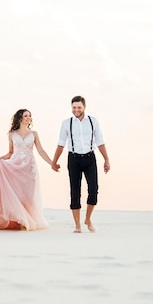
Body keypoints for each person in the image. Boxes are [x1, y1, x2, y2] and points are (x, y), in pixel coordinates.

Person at [0, 109, 55, 231]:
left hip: (29, 167)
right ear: (20, 118)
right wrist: (0, 159)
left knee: (28, 195)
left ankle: (26, 220)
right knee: (17, 193)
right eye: (26, 116)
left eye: (30, 116)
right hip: (15, 165)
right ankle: (19, 220)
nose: (28, 118)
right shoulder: (12, 134)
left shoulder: (34, 134)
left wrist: (52, 163)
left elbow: (41, 151)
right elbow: (10, 152)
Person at [51, 96, 110, 233]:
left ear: (84, 107)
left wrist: (106, 159)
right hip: (73, 159)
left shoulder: (93, 121)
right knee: (75, 191)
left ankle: (88, 219)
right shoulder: (67, 123)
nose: (76, 110)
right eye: (74, 107)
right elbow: (61, 143)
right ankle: (77, 225)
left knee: (93, 189)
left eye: (79, 107)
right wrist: (54, 162)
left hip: (90, 158)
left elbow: (100, 141)